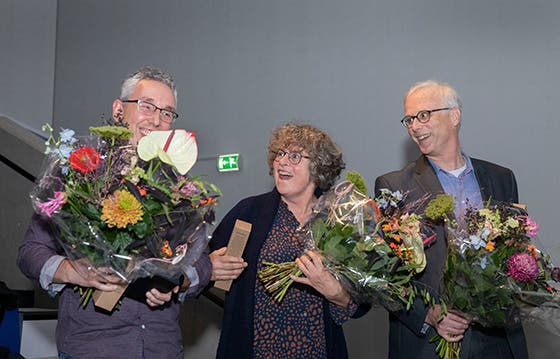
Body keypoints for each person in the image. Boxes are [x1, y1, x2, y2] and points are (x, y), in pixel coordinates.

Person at [17, 66, 212, 359]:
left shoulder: (179, 187)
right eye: (147, 106)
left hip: (162, 348)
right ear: (119, 110)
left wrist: (178, 280)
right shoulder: (81, 172)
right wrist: (74, 271)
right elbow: (30, 252)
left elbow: (202, 260)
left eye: (167, 113)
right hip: (92, 346)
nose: (157, 120)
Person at [374, 80, 528, 359]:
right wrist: (429, 314)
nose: (415, 127)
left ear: (454, 116)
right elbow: (385, 275)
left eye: (424, 115)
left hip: (497, 340)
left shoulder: (502, 178)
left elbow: (514, 256)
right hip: (432, 343)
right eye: (409, 120)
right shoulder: (394, 186)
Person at [209, 123, 370, 358]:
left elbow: (360, 301)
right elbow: (204, 265)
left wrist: (336, 292)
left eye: (294, 156)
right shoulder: (250, 211)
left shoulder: (339, 220)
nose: (282, 162)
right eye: (280, 154)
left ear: (318, 167)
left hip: (317, 350)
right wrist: (211, 267)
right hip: (259, 350)